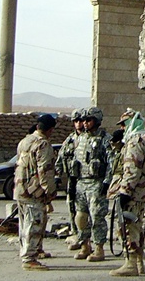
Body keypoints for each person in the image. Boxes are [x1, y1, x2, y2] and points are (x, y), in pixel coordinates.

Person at [106, 110, 145, 276]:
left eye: (123, 124)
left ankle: (131, 263)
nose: (122, 128)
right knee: (137, 225)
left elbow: (131, 169)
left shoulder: (135, 142)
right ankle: (139, 262)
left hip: (132, 191)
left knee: (128, 226)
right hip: (140, 189)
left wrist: (124, 191)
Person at [14, 113, 58, 271]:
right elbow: (45, 171)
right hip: (34, 192)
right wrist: (50, 192)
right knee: (34, 224)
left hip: (20, 189)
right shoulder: (43, 144)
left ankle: (27, 252)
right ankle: (29, 258)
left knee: (24, 223)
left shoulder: (25, 141)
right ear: (50, 130)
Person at [72, 107, 110, 262]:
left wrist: (107, 182)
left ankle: (99, 249)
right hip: (81, 182)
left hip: (96, 183)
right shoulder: (80, 138)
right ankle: (84, 246)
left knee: (97, 217)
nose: (85, 123)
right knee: (81, 218)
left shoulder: (104, 139)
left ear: (97, 121)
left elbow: (111, 163)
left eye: (89, 120)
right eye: (83, 120)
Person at [56, 109, 85, 250]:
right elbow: (61, 159)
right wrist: (57, 175)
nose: (78, 124)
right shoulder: (70, 140)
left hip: (87, 180)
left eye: (81, 121)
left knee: (86, 212)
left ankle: (87, 240)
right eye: (76, 121)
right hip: (72, 179)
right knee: (72, 207)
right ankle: (76, 236)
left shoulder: (90, 139)